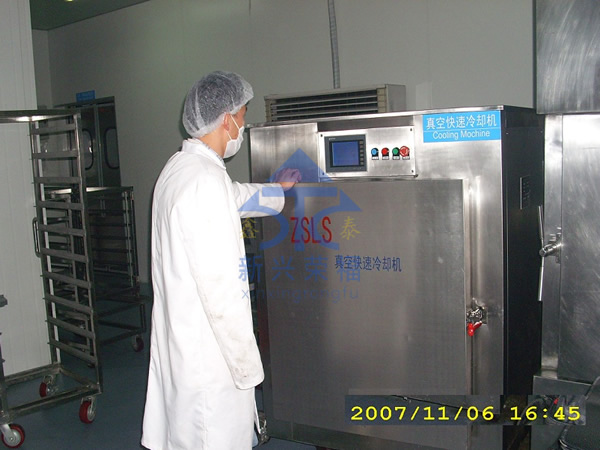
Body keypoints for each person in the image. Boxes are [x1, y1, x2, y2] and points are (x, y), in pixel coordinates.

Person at [141, 71, 300, 450]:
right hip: (211, 354)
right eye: (243, 115)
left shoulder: (181, 168)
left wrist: (277, 192)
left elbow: (232, 197)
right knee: (213, 436)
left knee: (186, 434)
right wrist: (247, 364)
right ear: (226, 119)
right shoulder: (204, 182)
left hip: (184, 338)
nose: (243, 125)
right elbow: (222, 288)